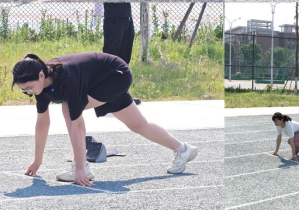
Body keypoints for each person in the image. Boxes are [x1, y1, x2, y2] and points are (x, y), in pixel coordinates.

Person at [12, 52, 197, 186]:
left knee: (68, 108)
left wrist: (80, 168)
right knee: (139, 125)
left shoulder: (67, 79)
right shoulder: (40, 88)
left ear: (41, 75)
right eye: (24, 90)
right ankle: (183, 149)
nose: (28, 92)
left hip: (115, 75)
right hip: (97, 81)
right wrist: (37, 161)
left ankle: (82, 166)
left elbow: (77, 124)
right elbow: (42, 123)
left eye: (29, 87)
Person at [102, 2, 141, 105]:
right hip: (113, 17)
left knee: (124, 59)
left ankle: (122, 95)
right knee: (111, 59)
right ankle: (106, 97)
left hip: (127, 17)